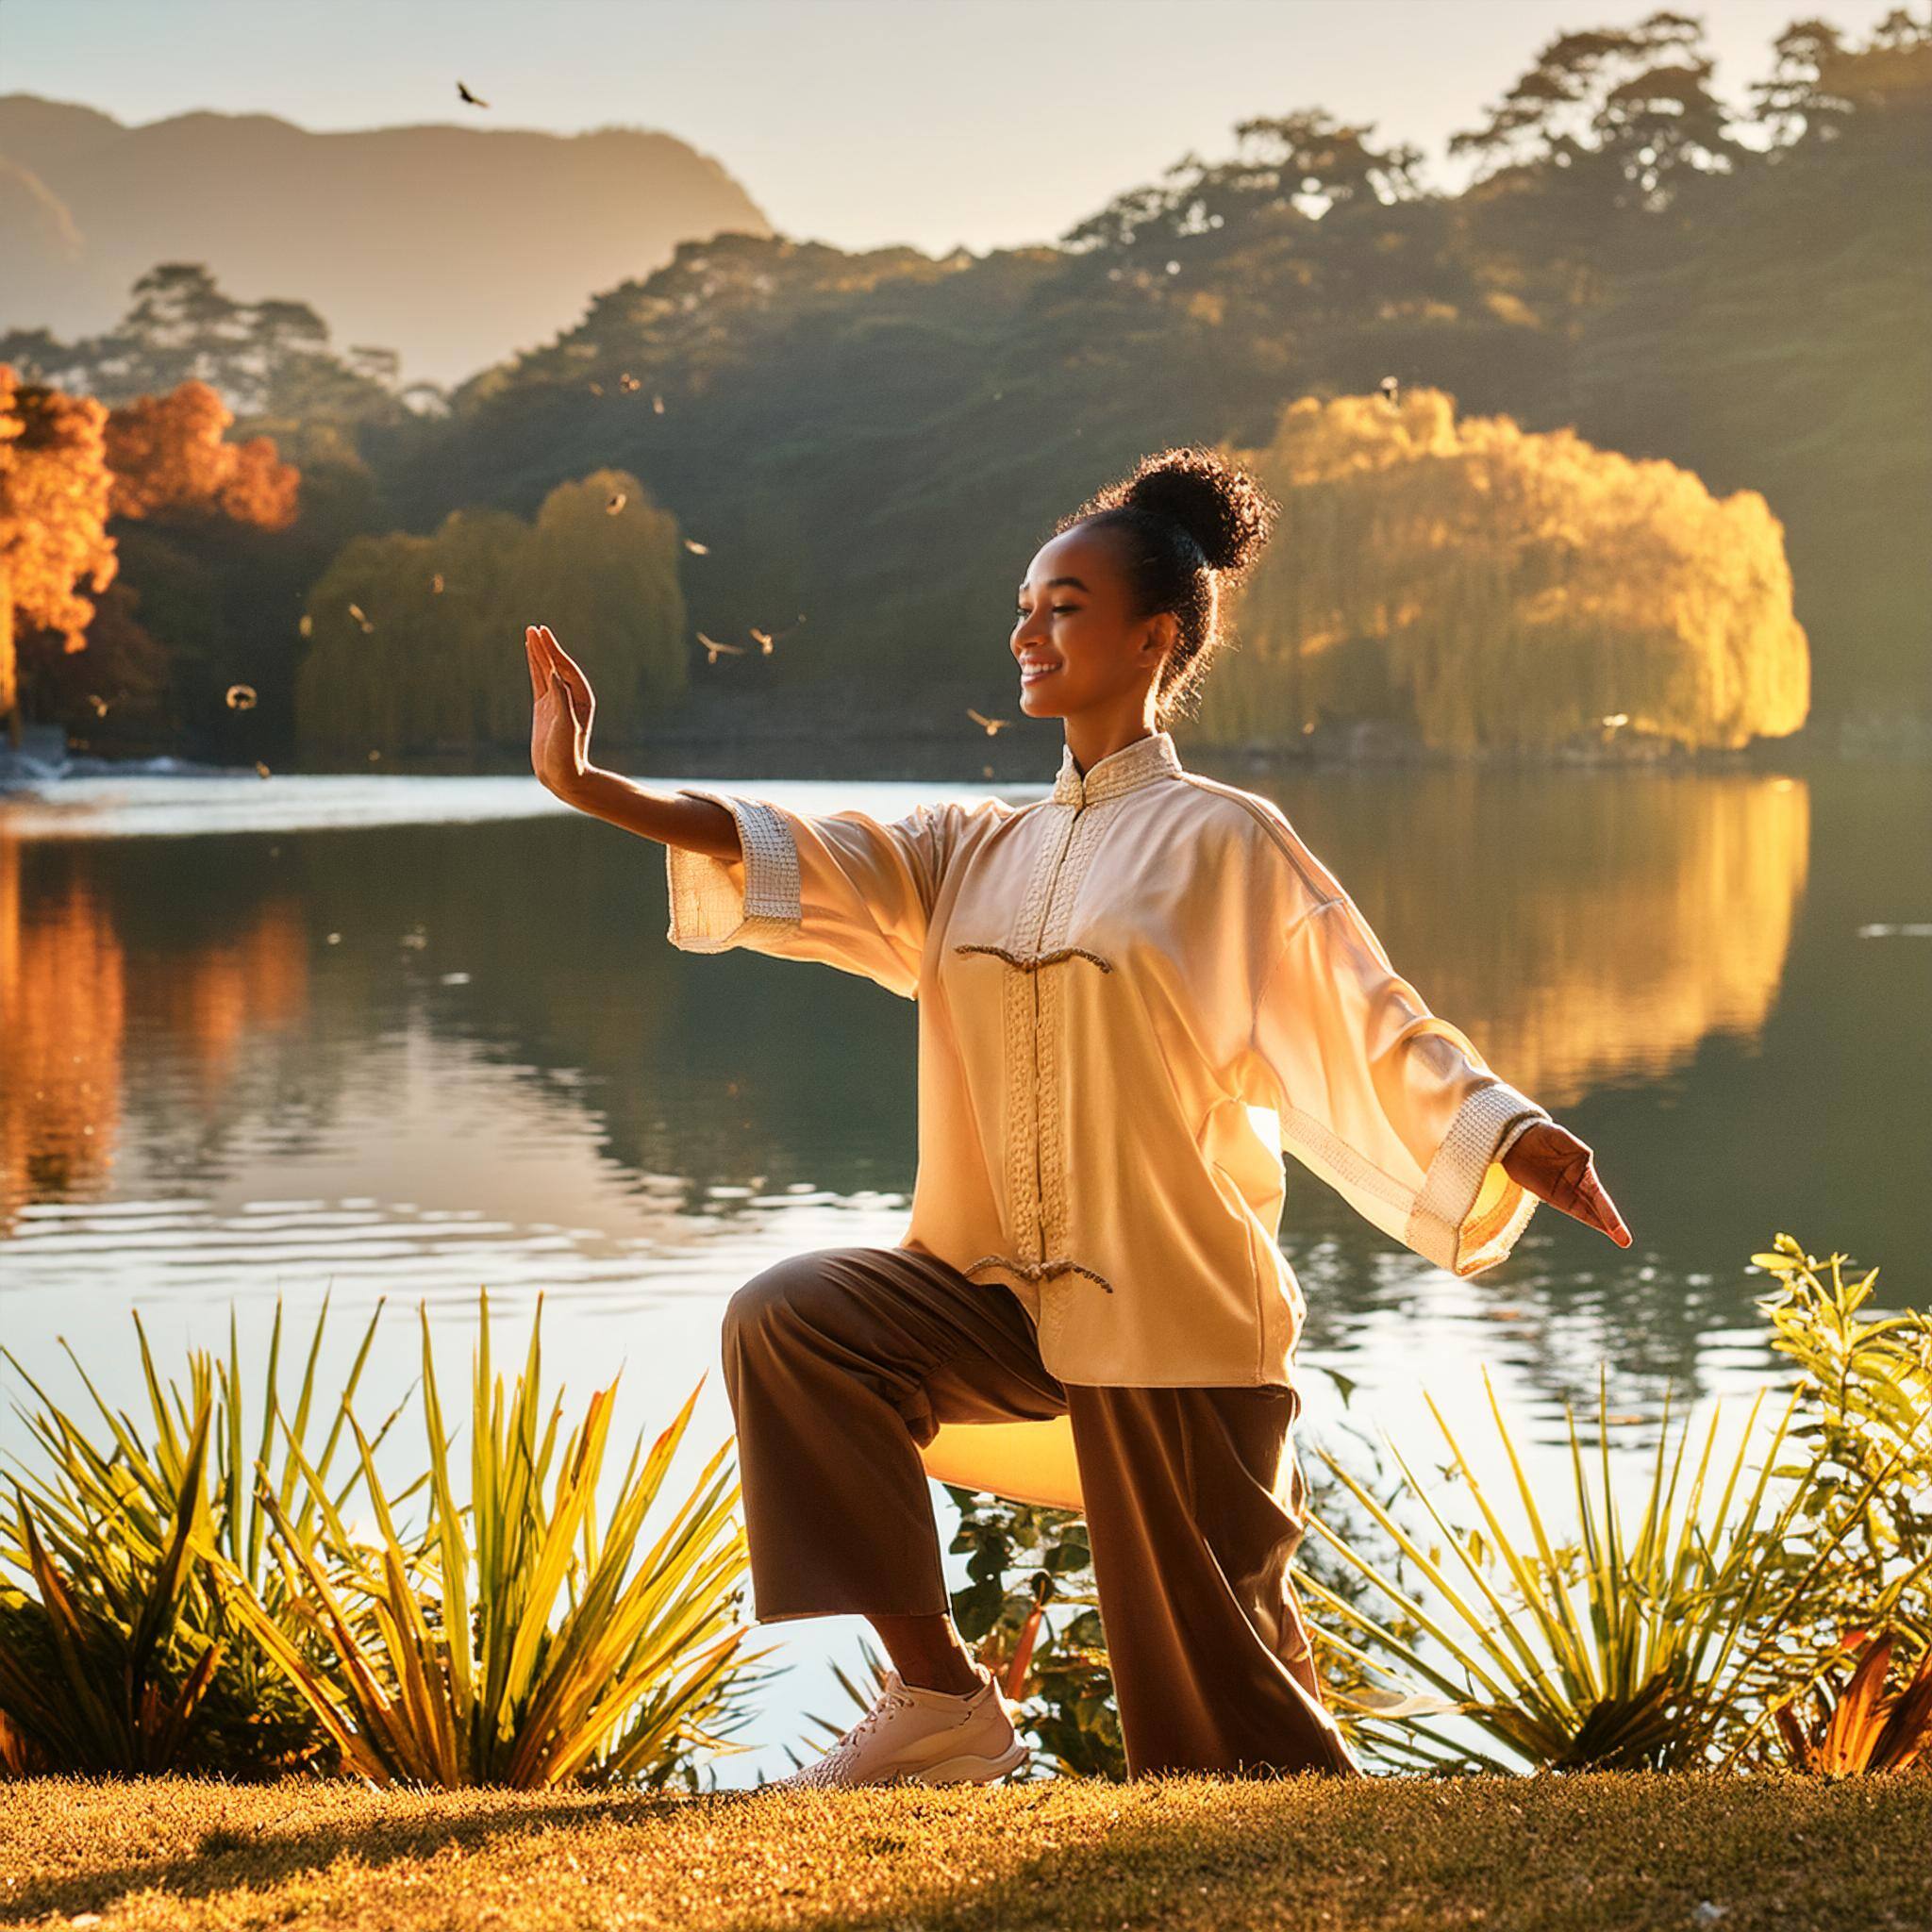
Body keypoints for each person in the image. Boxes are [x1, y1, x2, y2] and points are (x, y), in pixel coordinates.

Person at [523, 445, 1632, 1791]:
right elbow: (789, 844)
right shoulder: (971, 851)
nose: (1026, 632)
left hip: (1177, 1327)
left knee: (1227, 1742)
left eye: (1063, 606)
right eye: (1026, 605)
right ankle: (940, 1702)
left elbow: (1370, 1016)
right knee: (792, 1319)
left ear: (1155, 637)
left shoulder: (1226, 843)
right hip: (993, 1302)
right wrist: (594, 789)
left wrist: (1508, 1127)